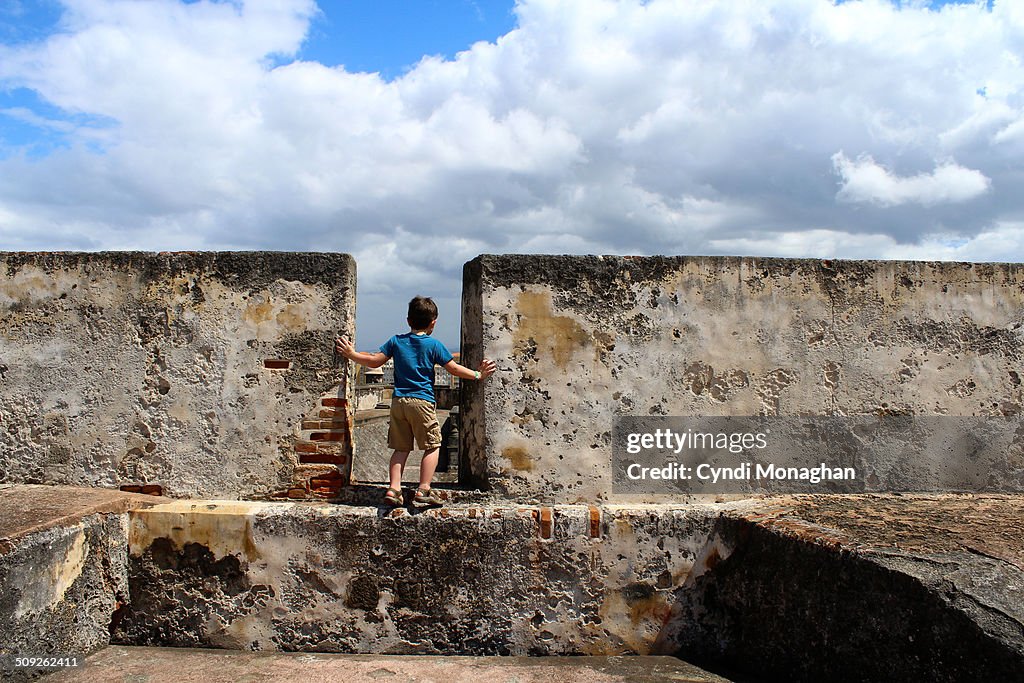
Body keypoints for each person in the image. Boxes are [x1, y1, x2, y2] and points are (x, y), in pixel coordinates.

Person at [335, 296, 496, 507]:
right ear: (433, 323)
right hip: (422, 401)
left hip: (399, 401)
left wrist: (351, 353)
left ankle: (393, 490)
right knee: (433, 445)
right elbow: (453, 369)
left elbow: (374, 361)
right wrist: (478, 375)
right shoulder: (434, 345)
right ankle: (424, 489)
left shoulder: (396, 341)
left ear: (408, 320)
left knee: (401, 448)